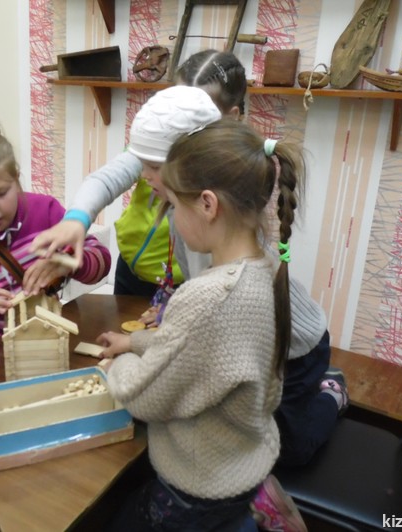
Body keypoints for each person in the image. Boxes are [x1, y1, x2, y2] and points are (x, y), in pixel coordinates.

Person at [31, 52, 348, 468]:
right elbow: (196, 340)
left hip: (297, 351)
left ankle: (331, 392)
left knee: (286, 452)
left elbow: (175, 373)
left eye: (152, 168)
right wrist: (77, 221)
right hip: (249, 345)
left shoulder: (223, 276)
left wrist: (126, 365)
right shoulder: (201, 216)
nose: (144, 176)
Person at [97, 118, 305, 531]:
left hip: (198, 489)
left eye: (174, 206)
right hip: (242, 464)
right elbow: (204, 355)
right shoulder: (264, 272)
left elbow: (141, 395)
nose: (172, 218)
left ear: (208, 205)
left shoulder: (209, 297)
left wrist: (115, 366)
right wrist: (135, 343)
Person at [28, 49, 248, 298]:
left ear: (230, 118)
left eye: (196, 109)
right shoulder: (154, 153)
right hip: (132, 271)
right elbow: (105, 179)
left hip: (185, 285)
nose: (146, 173)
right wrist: (76, 220)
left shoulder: (227, 188)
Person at [0, 106, 111, 342]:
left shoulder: (46, 211)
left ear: (16, 179)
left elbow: (102, 261)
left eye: (1, 193)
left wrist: (69, 264)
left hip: (47, 339)